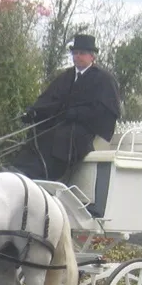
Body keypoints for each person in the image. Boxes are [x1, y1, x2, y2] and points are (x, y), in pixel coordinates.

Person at [12, 33, 121, 192]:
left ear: (92, 56)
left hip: (84, 130)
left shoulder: (104, 79)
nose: (77, 57)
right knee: (39, 133)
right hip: (61, 124)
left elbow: (104, 112)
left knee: (60, 137)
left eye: (82, 53)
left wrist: (77, 114)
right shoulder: (65, 77)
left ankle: (45, 174)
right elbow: (49, 101)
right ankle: (22, 169)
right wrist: (33, 112)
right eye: (75, 53)